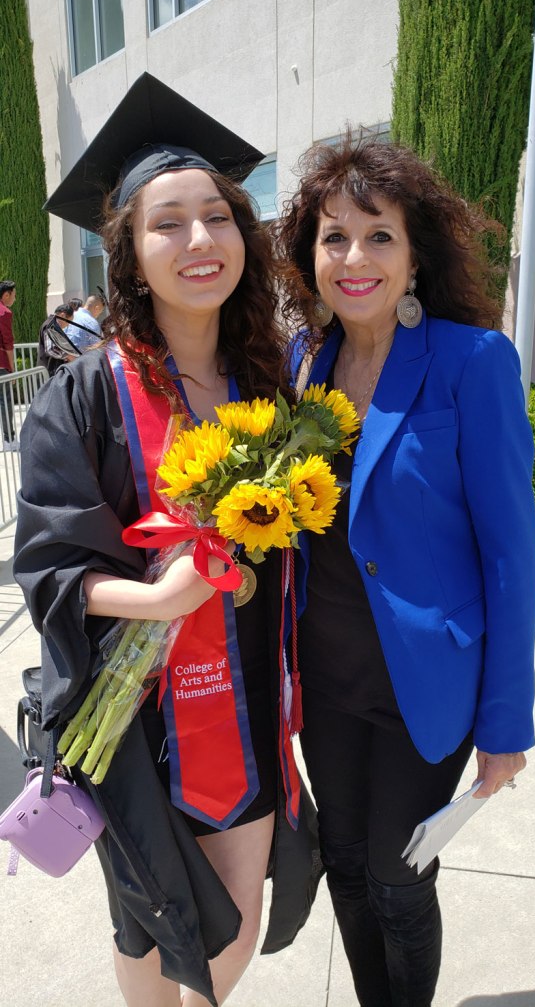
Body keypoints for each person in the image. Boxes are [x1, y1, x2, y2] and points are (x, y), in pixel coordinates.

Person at [14, 74, 320, 1007]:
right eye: (167, 222)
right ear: (130, 254)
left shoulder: (271, 379)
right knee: (145, 924)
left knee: (236, 917)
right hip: (131, 709)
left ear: (243, 235)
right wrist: (156, 596)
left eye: (218, 218)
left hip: (253, 697)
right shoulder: (87, 393)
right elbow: (51, 562)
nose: (198, 241)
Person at [275, 134, 535, 1007]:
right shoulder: (302, 366)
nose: (355, 258)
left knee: (398, 872)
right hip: (328, 678)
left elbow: (509, 556)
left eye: (378, 235)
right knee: (344, 864)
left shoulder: (473, 363)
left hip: (427, 684)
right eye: (334, 236)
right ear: (308, 253)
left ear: (415, 250)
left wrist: (506, 723)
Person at [37, 302, 81, 376]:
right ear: (63, 315)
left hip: (50, 371)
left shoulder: (53, 326)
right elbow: (51, 349)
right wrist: (69, 356)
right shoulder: (50, 326)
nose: (68, 325)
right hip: (49, 371)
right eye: (68, 322)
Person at [0, 279, 18, 450]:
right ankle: (9, 439)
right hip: (1, 365)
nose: (14, 298)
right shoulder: (4, 312)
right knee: (5, 401)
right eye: (13, 295)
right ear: (6, 295)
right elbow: (8, 342)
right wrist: (12, 368)